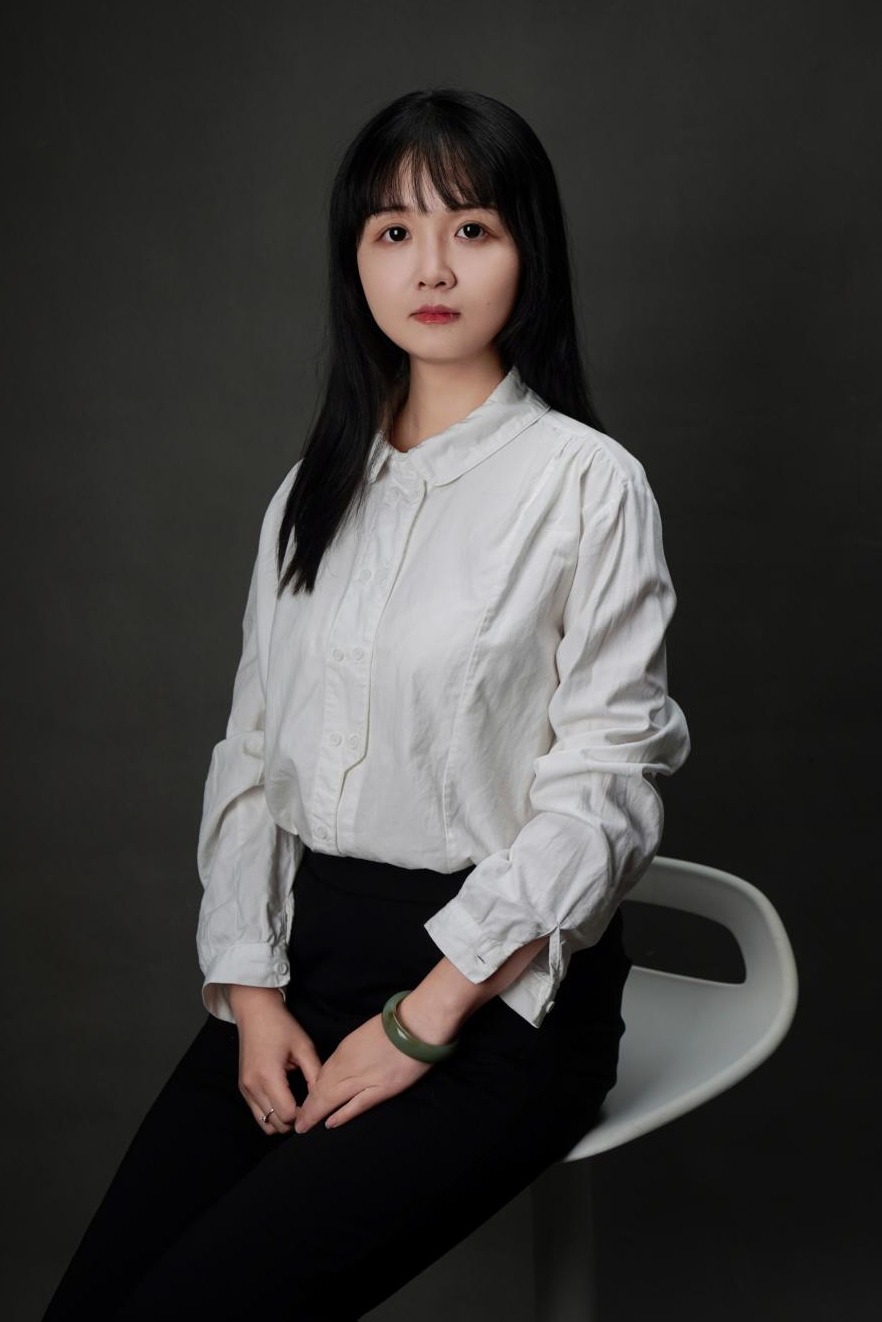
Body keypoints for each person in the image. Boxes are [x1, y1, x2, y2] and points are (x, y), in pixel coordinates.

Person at [42, 87, 690, 1320]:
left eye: (472, 228)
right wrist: (251, 993)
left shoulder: (588, 485)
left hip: (501, 996)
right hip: (306, 960)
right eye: (395, 231)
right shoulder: (311, 491)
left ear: (528, 253)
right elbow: (253, 754)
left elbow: (607, 786)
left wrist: (423, 1019)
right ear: (356, 259)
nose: (430, 267)